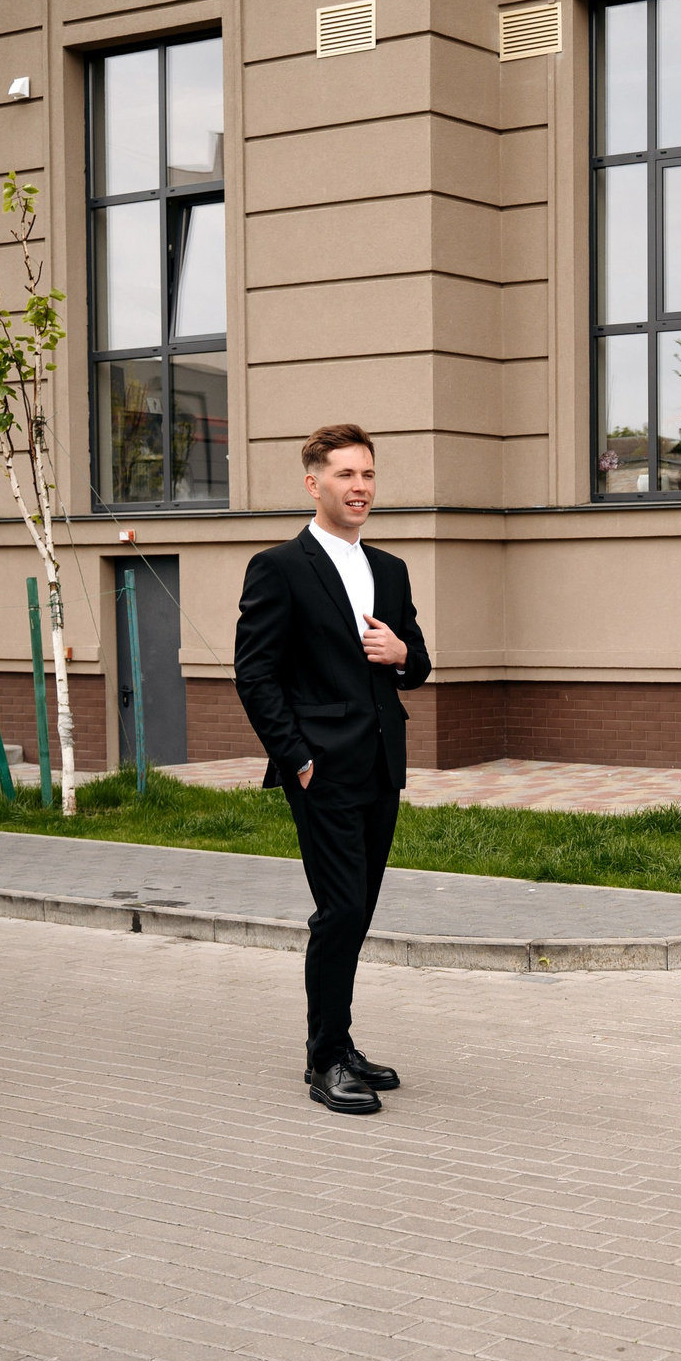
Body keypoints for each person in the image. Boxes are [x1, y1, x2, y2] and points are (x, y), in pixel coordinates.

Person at [234, 424, 431, 1116]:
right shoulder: (280, 567)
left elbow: (419, 666)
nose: (361, 487)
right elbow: (255, 674)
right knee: (340, 910)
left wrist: (401, 651)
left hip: (381, 765)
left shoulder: (392, 569)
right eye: (346, 474)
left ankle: (341, 1043)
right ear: (313, 482)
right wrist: (297, 759)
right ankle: (323, 1061)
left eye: (369, 474)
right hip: (322, 769)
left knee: (360, 912)